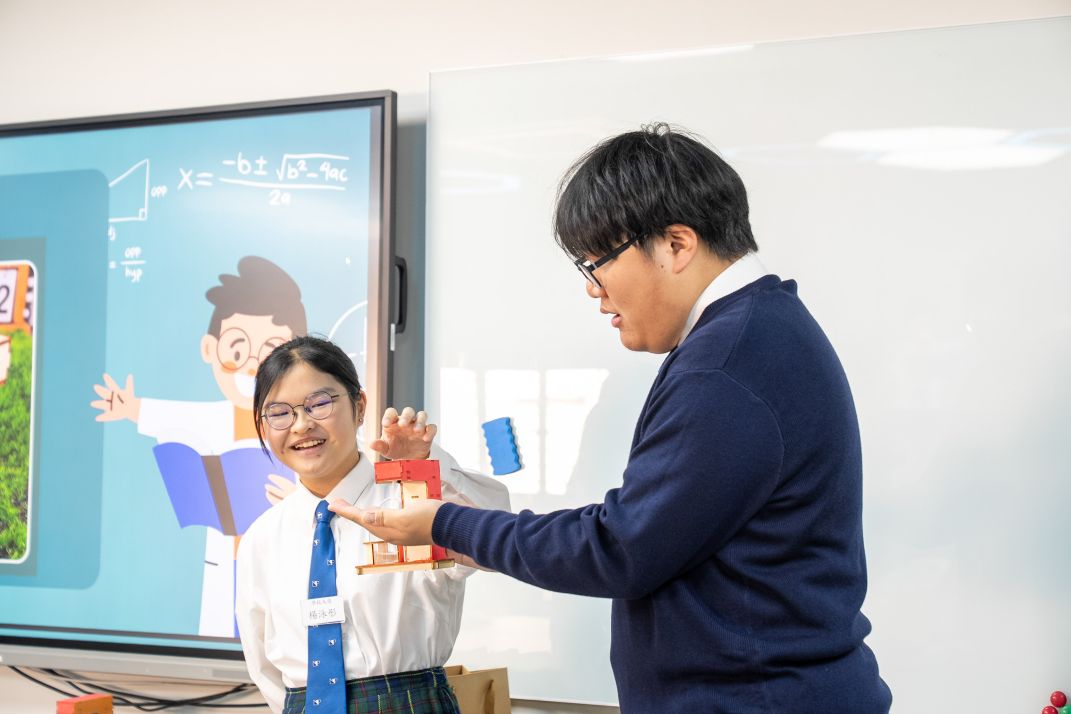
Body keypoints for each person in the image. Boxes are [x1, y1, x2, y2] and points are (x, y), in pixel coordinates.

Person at [331, 124, 893, 713]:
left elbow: (620, 547)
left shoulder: (723, 366)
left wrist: (447, 525)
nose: (593, 290)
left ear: (676, 244)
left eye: (596, 262)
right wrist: (464, 533)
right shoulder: (759, 331)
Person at [236, 335, 509, 714]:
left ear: (359, 406)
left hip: (412, 704)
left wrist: (429, 464)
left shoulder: (412, 501)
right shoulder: (262, 538)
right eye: (279, 413)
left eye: (319, 403)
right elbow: (261, 661)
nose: (301, 425)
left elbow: (499, 537)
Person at [91, 255, 306, 636]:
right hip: (225, 556)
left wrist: (300, 502)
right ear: (209, 349)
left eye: (268, 354)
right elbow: (176, 417)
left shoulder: (303, 424)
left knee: (278, 632)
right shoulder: (214, 418)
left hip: (283, 556)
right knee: (224, 623)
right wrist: (131, 408)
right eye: (236, 350)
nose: (250, 368)